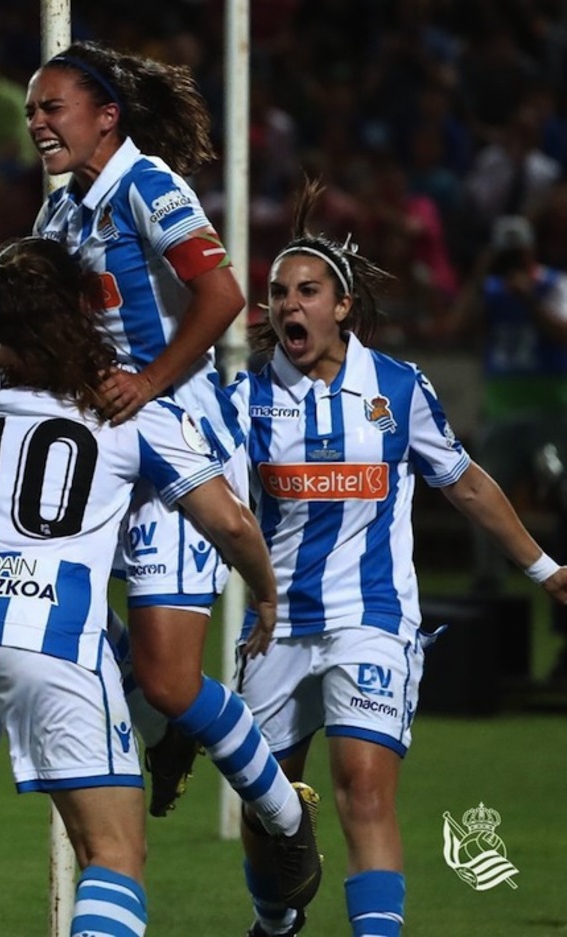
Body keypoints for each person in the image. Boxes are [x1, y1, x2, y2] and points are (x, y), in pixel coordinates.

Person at [0, 236, 281, 937]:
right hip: (52, 636)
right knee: (115, 854)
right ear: (81, 308)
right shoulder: (128, 405)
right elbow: (233, 523)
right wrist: (267, 592)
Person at [228, 179, 567, 937]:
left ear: (342, 305)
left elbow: (467, 484)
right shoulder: (245, 396)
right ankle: (275, 922)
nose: (289, 305)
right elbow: (211, 505)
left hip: (373, 617)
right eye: (279, 292)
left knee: (364, 791)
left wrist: (546, 569)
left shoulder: (396, 387)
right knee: (268, 807)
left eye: (307, 291)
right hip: (275, 625)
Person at [24, 44, 320, 896]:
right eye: (34, 113)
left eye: (54, 109)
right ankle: (162, 728)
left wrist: (147, 380)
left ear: (105, 115)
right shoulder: (60, 215)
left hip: (173, 434)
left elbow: (224, 296)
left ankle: (284, 818)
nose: (40, 125)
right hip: (100, 438)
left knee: (167, 675)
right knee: (44, 608)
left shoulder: (149, 186)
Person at [446, 214, 567, 679]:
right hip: (501, 412)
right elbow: (457, 329)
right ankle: (488, 584)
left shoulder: (553, 284)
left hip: (551, 412)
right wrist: (481, 277)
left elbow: (562, 332)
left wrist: (528, 298)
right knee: (481, 495)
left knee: (559, 492)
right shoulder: (490, 292)